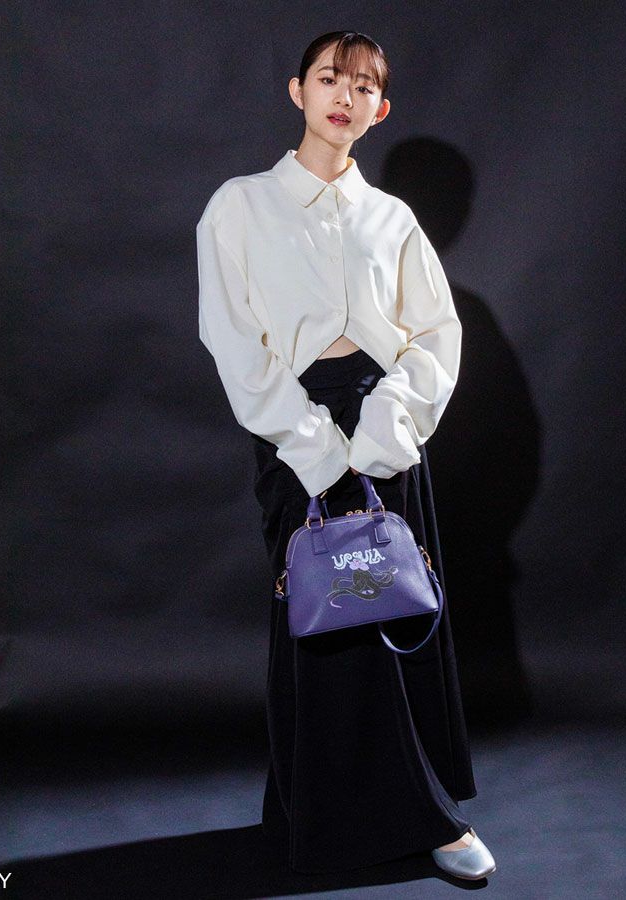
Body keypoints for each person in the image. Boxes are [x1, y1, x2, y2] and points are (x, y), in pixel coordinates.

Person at [195, 30, 497, 881]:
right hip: (293, 426)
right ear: (298, 91)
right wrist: (312, 445)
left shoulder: (391, 218)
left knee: (397, 611)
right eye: (330, 78)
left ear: (380, 109)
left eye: (363, 86)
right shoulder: (239, 206)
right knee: (322, 616)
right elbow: (232, 338)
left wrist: (386, 428)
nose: (344, 96)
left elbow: (435, 334)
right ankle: (321, 822)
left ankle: (433, 817)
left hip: (389, 427)